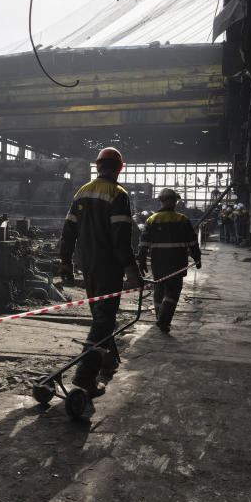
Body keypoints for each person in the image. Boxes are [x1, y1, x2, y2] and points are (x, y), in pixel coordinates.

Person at [58, 147, 142, 396]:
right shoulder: (118, 194)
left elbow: (68, 230)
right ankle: (85, 376)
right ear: (120, 168)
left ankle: (108, 361)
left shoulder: (82, 191)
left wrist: (65, 261)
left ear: (97, 166)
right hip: (109, 266)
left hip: (88, 265)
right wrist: (131, 270)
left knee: (101, 316)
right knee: (105, 319)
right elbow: (121, 239)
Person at [137, 188, 202, 333]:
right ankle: (164, 320)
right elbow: (192, 242)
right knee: (172, 293)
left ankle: (159, 317)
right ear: (174, 202)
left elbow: (144, 243)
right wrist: (197, 257)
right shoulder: (182, 220)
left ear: (160, 201)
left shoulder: (152, 220)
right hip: (177, 263)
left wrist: (141, 260)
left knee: (159, 290)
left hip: (158, 263)